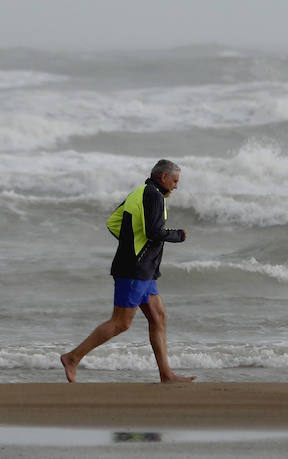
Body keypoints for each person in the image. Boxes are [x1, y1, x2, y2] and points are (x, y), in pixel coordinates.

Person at [61, 159, 196, 383]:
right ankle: (72, 357)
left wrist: (130, 245)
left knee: (159, 317)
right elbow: (154, 232)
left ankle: (166, 374)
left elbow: (113, 222)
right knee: (121, 322)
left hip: (144, 269)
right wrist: (178, 235)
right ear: (163, 177)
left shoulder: (140, 192)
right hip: (134, 269)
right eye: (175, 180)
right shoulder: (153, 196)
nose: (176, 186)